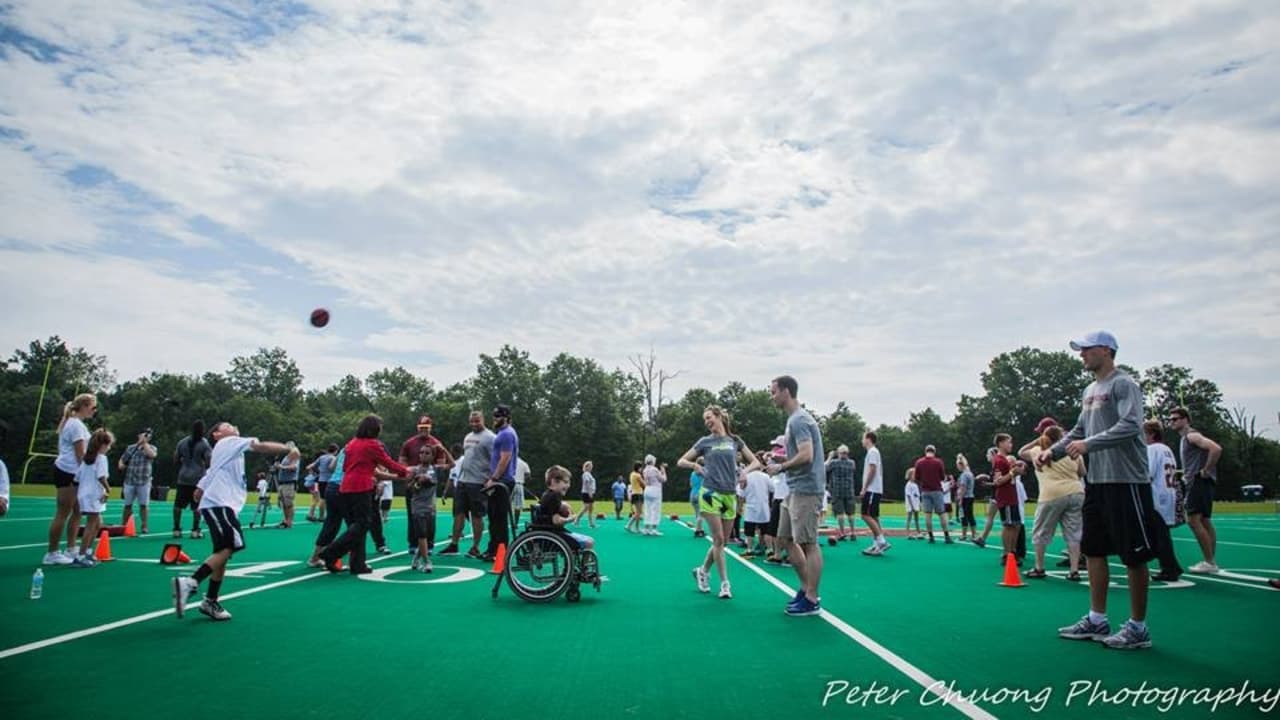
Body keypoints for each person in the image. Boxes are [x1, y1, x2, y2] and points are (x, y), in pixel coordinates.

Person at [1046, 330, 1160, 650]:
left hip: (1127, 481)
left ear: (1107, 351)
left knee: (1134, 555)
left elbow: (1129, 425)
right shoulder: (1089, 389)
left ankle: (1138, 627)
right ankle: (1097, 619)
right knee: (1093, 549)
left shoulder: (1124, 384)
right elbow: (1079, 431)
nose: (1081, 355)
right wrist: (1052, 452)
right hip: (1097, 482)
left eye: (1086, 349)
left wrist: (1087, 445)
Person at [171, 422, 292, 621]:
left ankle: (210, 600)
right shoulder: (229, 442)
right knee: (231, 545)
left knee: (223, 552)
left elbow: (212, 472)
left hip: (222, 504)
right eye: (226, 425)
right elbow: (260, 447)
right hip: (220, 503)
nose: (233, 426)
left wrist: (200, 489)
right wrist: (288, 448)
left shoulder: (227, 452)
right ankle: (190, 582)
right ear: (217, 434)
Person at [678, 405, 761, 599]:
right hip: (709, 493)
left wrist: (744, 472)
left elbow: (756, 462)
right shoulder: (705, 442)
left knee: (723, 542)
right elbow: (680, 461)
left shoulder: (735, 441)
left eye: (709, 417)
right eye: (705, 420)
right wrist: (694, 465)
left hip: (729, 494)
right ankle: (725, 584)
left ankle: (702, 570)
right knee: (718, 540)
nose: (707, 422)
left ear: (719, 417)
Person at [319, 415, 411, 575]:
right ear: (374, 429)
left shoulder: (351, 444)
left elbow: (347, 466)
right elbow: (387, 462)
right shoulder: (372, 445)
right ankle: (331, 552)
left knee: (355, 526)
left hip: (345, 487)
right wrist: (405, 472)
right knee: (363, 524)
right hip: (361, 487)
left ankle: (357, 564)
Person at [765, 375, 826, 617]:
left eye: (773, 392)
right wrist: (783, 458)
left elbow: (807, 455)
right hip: (794, 488)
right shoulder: (794, 420)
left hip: (807, 488)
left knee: (809, 543)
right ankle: (804, 588)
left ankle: (812, 597)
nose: (772, 397)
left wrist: (781, 467)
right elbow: (799, 454)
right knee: (786, 539)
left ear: (786, 392)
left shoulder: (800, 420)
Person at [1019, 420, 1085, 581]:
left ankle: (1039, 567)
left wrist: (1039, 439)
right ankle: (1074, 570)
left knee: (1041, 532)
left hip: (1051, 494)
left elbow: (1021, 452)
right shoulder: (1072, 451)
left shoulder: (1038, 450)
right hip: (1076, 492)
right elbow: (1082, 472)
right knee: (1073, 533)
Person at [1168, 407, 1223, 574]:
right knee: (1205, 521)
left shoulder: (1191, 436)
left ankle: (1209, 561)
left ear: (1185, 419)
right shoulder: (1185, 439)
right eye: (1171, 419)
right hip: (1196, 482)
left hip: (1199, 482)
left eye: (1175, 419)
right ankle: (1210, 560)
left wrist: (1206, 470)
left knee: (1193, 520)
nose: (1172, 422)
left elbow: (1216, 448)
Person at [45, 393, 96, 566]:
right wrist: (92, 474)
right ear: (83, 406)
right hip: (68, 471)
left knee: (78, 511)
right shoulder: (75, 425)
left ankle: (71, 547)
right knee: (63, 513)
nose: (94, 411)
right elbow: (80, 454)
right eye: (92, 407)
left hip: (73, 472)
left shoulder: (76, 424)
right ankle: (52, 552)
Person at [439, 412, 493, 558]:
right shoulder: (468, 437)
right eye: (472, 422)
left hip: (478, 482)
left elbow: (495, 459)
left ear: (483, 420)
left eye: (477, 421)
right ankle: (454, 544)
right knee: (458, 513)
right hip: (463, 481)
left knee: (476, 515)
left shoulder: (490, 437)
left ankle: (475, 547)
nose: (474, 424)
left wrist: (490, 478)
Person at [398, 417, 454, 557]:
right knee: (413, 516)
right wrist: (408, 474)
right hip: (413, 482)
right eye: (421, 427)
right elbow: (402, 462)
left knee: (430, 518)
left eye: (426, 427)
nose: (424, 430)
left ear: (430, 427)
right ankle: (413, 543)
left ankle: (429, 544)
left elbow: (445, 464)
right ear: (417, 427)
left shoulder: (436, 444)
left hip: (429, 486)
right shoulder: (409, 443)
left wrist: (432, 477)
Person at [1144, 419, 1184, 582]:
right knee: (1161, 532)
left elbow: (1148, 473)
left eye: (1144, 434)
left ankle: (1169, 567)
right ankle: (1170, 565)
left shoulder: (1152, 449)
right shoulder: (1166, 449)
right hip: (1168, 493)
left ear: (1152, 434)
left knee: (1159, 533)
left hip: (1157, 494)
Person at [482, 404, 519, 561]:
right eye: (494, 416)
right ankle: (493, 549)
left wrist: (494, 479)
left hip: (502, 481)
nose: (495, 419)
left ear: (507, 418)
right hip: (500, 480)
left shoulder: (506, 434)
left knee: (499, 518)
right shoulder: (504, 433)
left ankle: (500, 552)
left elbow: (505, 458)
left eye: (498, 416)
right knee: (494, 516)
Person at [72, 429, 114, 567]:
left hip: (85, 494)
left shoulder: (86, 460)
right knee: (91, 525)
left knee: (97, 523)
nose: (109, 448)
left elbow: (77, 478)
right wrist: (108, 489)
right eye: (108, 445)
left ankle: (88, 551)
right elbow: (101, 476)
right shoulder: (101, 458)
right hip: (94, 495)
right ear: (102, 445)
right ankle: (81, 555)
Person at [539, 465, 595, 549]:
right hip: (554, 534)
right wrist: (571, 519)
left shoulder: (547, 494)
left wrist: (563, 505)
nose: (568, 485)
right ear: (554, 481)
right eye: (565, 482)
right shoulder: (554, 496)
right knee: (589, 542)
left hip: (549, 532)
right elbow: (556, 521)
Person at [173, 420, 212, 540]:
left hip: (183, 477)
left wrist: (184, 464)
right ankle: (195, 530)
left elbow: (175, 459)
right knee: (196, 506)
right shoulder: (204, 443)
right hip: (197, 478)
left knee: (178, 505)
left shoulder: (182, 442)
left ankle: (176, 529)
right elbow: (208, 461)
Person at [407, 443, 441, 573]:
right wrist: (417, 482)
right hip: (418, 507)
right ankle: (427, 561)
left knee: (429, 536)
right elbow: (409, 488)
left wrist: (442, 449)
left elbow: (452, 465)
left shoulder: (435, 469)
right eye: (421, 452)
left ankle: (416, 556)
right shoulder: (415, 470)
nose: (423, 455)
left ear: (432, 456)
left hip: (431, 507)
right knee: (422, 535)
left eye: (427, 453)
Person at [117, 428, 156, 534]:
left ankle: (144, 525)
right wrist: (120, 464)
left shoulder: (151, 447)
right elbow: (123, 458)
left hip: (143, 481)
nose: (145, 437)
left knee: (143, 505)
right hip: (129, 480)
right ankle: (124, 525)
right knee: (127, 504)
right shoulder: (130, 448)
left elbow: (151, 455)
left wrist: (144, 444)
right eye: (144, 435)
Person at [990, 433, 1021, 563]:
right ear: (1001, 444)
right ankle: (1006, 553)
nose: (1011, 445)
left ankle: (1012, 551)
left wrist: (1017, 469)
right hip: (1006, 497)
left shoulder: (1006, 460)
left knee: (1016, 524)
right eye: (1008, 442)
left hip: (1012, 496)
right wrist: (1012, 473)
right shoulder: (999, 460)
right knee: (1008, 525)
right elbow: (997, 481)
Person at [913, 445, 952, 544]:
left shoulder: (919, 462)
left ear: (925, 451)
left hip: (925, 491)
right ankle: (947, 536)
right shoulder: (938, 462)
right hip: (937, 490)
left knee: (927, 514)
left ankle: (931, 537)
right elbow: (942, 477)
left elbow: (916, 477)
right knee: (942, 514)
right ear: (934, 452)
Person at [859, 431, 889, 555]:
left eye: (863, 438)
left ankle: (881, 541)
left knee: (865, 515)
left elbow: (872, 469)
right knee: (874, 516)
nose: (862, 441)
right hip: (875, 489)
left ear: (868, 439)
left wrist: (864, 488)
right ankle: (877, 544)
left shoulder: (872, 452)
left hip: (872, 489)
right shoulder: (874, 452)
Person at [825, 445, 858, 541]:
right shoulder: (852, 463)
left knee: (840, 513)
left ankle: (842, 533)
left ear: (839, 453)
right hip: (849, 490)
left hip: (837, 490)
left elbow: (825, 468)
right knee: (851, 513)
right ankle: (852, 532)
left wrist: (830, 457)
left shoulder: (834, 463)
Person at [307, 444, 340, 522]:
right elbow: (331, 468)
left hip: (321, 480)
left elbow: (312, 466)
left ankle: (321, 516)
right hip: (329, 480)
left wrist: (317, 472)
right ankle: (324, 516)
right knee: (329, 500)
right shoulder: (333, 458)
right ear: (335, 451)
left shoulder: (322, 457)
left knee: (322, 498)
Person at [273, 443, 301, 528]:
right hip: (283, 482)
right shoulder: (288, 456)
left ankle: (289, 522)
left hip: (289, 482)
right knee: (284, 503)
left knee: (289, 503)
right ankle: (285, 520)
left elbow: (293, 467)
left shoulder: (295, 455)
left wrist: (281, 467)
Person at [640, 456, 667, 536]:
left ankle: (646, 528)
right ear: (652, 461)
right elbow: (663, 479)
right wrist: (663, 471)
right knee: (656, 510)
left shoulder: (645, 470)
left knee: (647, 509)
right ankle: (654, 529)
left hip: (647, 489)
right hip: (655, 490)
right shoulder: (654, 469)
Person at [956, 455, 976, 541]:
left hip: (966, 497)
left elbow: (963, 487)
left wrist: (960, 499)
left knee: (964, 516)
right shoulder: (970, 473)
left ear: (961, 465)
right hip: (970, 496)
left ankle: (964, 535)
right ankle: (973, 535)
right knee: (970, 516)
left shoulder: (964, 474)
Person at [574, 460, 598, 528]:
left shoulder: (589, 474)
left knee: (591, 508)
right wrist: (590, 492)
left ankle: (591, 523)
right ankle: (576, 520)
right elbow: (587, 483)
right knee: (585, 508)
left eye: (591, 466)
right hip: (586, 493)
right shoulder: (586, 474)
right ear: (586, 467)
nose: (591, 468)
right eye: (590, 466)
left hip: (591, 492)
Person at [511, 456, 532, 527]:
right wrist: (522, 479)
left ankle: (503, 521)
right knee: (518, 506)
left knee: (505, 504)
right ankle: (515, 523)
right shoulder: (524, 463)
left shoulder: (509, 461)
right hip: (519, 485)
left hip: (509, 484)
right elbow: (528, 475)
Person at [625, 462, 645, 533]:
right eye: (641, 467)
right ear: (638, 468)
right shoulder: (638, 475)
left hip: (634, 493)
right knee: (638, 512)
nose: (641, 469)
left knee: (637, 512)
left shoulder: (632, 474)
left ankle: (628, 525)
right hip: (638, 493)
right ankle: (637, 527)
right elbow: (644, 484)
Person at [903, 469, 922, 539]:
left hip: (916, 504)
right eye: (914, 474)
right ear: (910, 476)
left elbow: (917, 496)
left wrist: (919, 504)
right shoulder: (908, 485)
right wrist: (911, 505)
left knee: (917, 519)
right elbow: (908, 496)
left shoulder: (915, 485)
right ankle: (908, 534)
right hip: (911, 505)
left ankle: (919, 532)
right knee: (909, 518)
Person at [688, 467, 706, 537]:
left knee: (697, 513)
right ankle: (698, 531)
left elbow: (691, 485)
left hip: (692, 493)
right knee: (701, 514)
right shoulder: (703, 474)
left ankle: (700, 529)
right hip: (700, 494)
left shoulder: (692, 473)